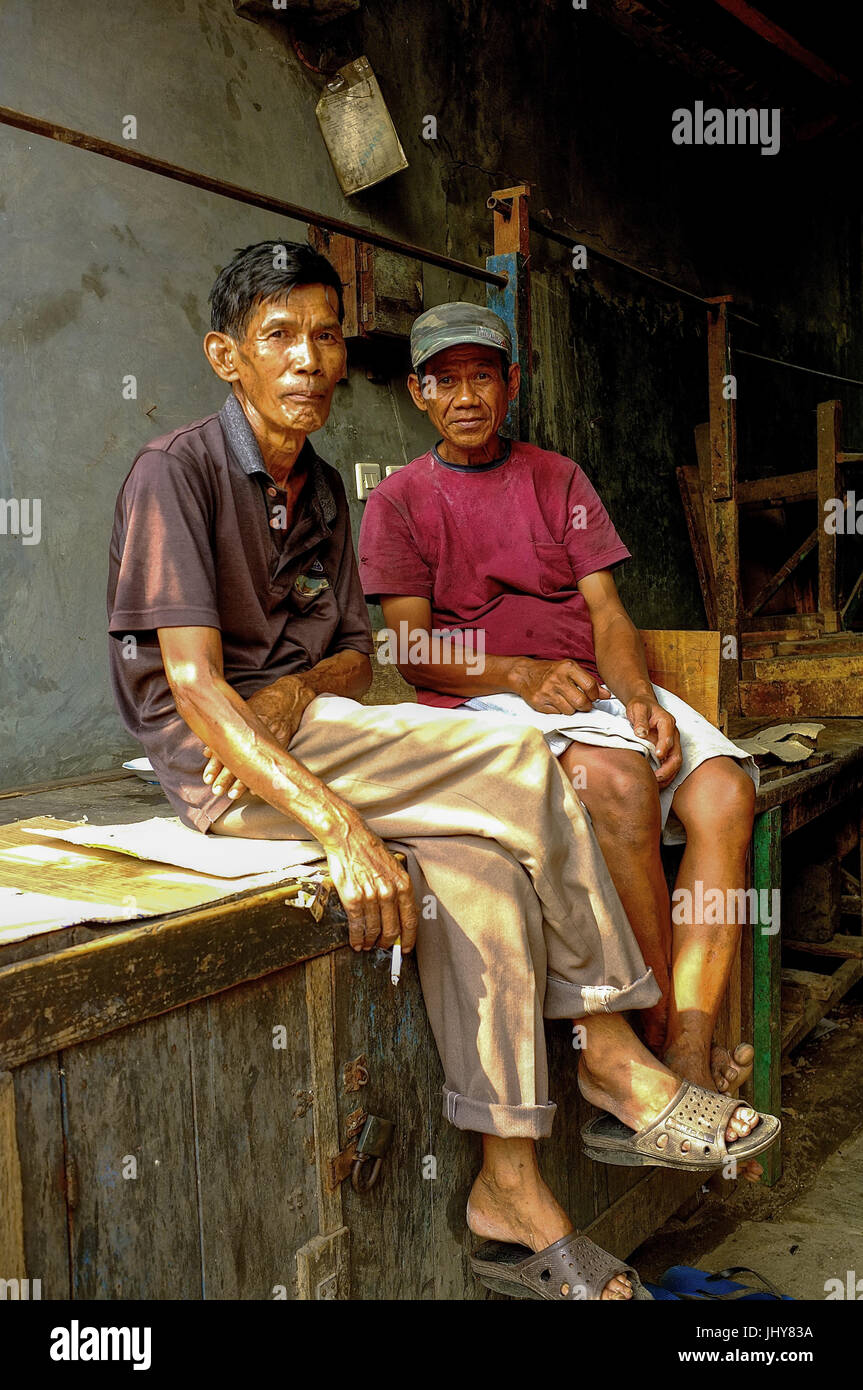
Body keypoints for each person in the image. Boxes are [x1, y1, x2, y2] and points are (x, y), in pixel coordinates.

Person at [108, 246, 776, 1302]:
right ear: (224, 356)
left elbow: (347, 657)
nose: (309, 360)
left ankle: (507, 1189)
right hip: (232, 768)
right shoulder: (174, 472)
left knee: (480, 873)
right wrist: (338, 829)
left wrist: (295, 691)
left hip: (314, 729)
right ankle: (608, 1046)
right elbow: (196, 689)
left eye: (327, 336)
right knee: (515, 753)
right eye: (279, 336)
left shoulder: (321, 487)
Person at [358, 301, 761, 1133]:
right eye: (444, 379)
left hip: (591, 684)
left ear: (510, 385)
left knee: (722, 793)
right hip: (492, 693)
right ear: (417, 393)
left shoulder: (557, 477)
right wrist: (517, 670)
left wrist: (640, 698)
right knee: (614, 784)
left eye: (482, 375)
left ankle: (687, 1044)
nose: (464, 395)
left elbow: (607, 613)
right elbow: (409, 649)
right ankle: (652, 1049)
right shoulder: (398, 501)